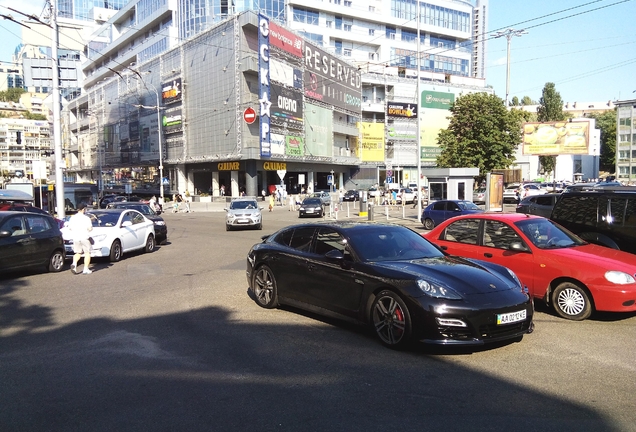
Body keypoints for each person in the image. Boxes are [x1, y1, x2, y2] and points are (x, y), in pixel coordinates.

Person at [67, 203, 93, 275]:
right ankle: (85, 269)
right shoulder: (86, 218)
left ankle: (74, 264)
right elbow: (90, 228)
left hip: (76, 238)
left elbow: (70, 228)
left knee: (78, 253)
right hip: (84, 237)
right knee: (87, 253)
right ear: (83, 209)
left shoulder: (72, 218)